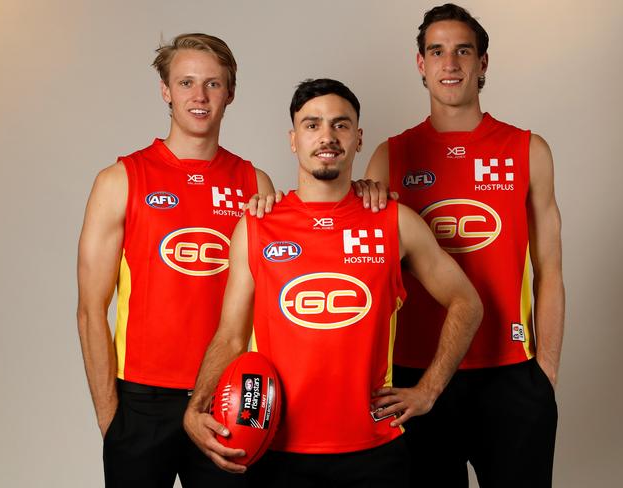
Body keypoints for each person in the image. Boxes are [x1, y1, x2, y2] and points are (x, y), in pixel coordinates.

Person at [183, 78, 483, 487]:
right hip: (277, 451)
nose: (327, 136)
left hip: (374, 451)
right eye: (312, 125)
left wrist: (428, 390)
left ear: (359, 139)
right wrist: (196, 406)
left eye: (341, 125)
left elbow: (467, 302)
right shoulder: (256, 227)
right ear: (293, 140)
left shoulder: (394, 223)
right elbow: (231, 335)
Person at [365, 4, 565, 487]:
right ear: (421, 64)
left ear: (483, 64)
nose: (449, 63)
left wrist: (545, 375)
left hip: (510, 374)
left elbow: (550, 271)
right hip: (415, 374)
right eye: (436, 51)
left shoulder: (525, 149)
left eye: (462, 51)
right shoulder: (390, 156)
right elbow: (365, 273)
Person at [76, 33, 276, 487]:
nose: (199, 96)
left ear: (231, 92)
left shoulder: (255, 185)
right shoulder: (121, 180)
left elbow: (282, 288)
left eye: (212, 84)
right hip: (141, 403)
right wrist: (112, 421)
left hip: (226, 397)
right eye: (186, 83)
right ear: (165, 91)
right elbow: (91, 308)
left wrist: (365, 192)